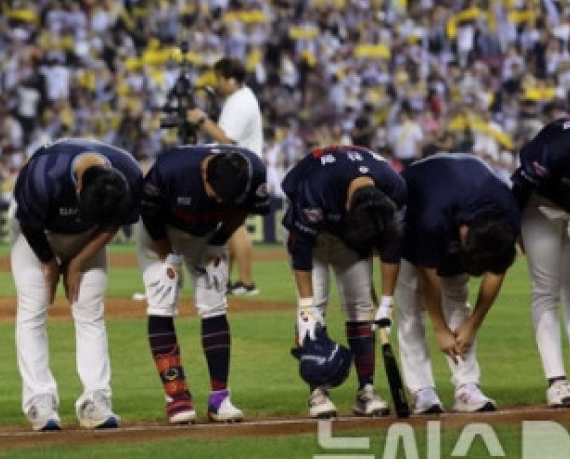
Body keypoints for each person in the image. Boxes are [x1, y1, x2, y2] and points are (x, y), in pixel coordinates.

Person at [10, 138, 143, 431]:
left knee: (89, 310)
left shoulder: (129, 173)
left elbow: (112, 223)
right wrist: (50, 263)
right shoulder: (43, 175)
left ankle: (96, 399)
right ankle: (39, 398)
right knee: (34, 307)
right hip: (38, 234)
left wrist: (78, 261)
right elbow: (29, 224)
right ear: (78, 187)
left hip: (90, 238)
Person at [137, 144, 270, 425]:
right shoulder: (169, 170)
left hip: (209, 232)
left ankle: (220, 398)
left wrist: (217, 243)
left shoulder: (253, 170)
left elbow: (240, 211)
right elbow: (150, 214)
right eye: (217, 196)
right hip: (162, 229)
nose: (222, 202)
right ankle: (177, 397)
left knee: (214, 303)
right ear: (204, 175)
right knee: (162, 299)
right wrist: (168, 256)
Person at [281, 145, 405, 419]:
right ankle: (317, 392)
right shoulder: (315, 187)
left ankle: (367, 391)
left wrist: (386, 302)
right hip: (310, 236)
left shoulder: (395, 188)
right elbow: (300, 248)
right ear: (348, 206)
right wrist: (305, 306)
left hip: (350, 237)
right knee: (316, 308)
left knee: (362, 306)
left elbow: (391, 245)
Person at [390, 154, 519, 415]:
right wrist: (440, 329)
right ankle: (421, 390)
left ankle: (467, 387)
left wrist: (474, 323)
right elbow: (429, 275)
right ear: (464, 234)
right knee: (410, 308)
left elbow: (497, 269)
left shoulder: (508, 214)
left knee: (458, 300)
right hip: (410, 220)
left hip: (458, 196)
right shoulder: (431, 218)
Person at [511, 114, 570, 407]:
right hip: (542, 204)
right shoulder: (556, 147)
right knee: (545, 290)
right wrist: (517, 232)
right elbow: (520, 187)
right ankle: (557, 382)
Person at [188, 57, 264, 296]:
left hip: (240, 169)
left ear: (231, 79)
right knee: (230, 225)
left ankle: (246, 282)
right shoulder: (245, 96)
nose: (217, 84)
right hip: (245, 166)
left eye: (220, 79)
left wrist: (201, 120)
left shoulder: (239, 102)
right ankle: (233, 281)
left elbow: (228, 139)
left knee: (235, 225)